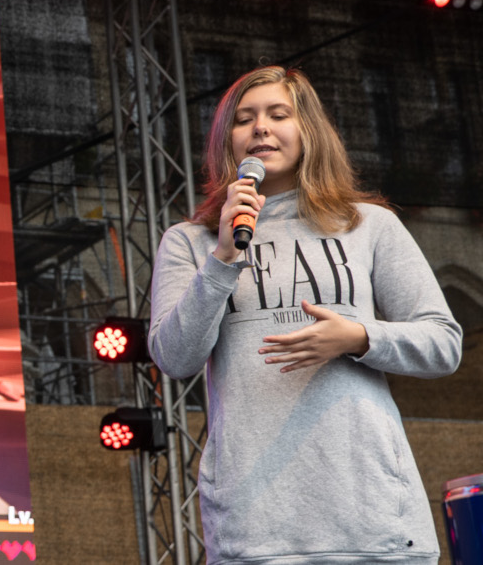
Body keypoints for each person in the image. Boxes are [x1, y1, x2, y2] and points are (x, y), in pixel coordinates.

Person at [148, 66, 461, 564]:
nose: (261, 128)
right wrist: (223, 257)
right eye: (244, 119)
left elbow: (443, 344)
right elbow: (174, 357)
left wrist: (357, 337)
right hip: (255, 528)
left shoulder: (368, 224)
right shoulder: (191, 241)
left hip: (373, 519)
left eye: (279, 114)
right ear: (227, 141)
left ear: (309, 128)